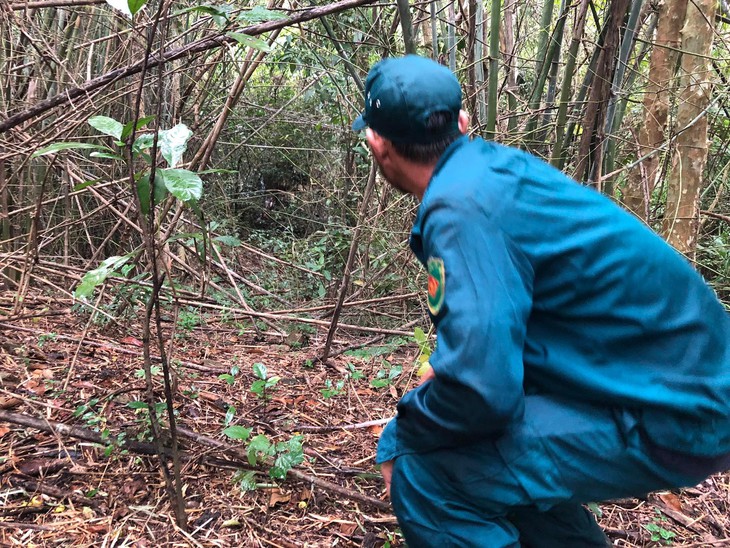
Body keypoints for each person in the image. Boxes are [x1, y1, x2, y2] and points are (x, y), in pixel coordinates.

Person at [352, 54, 730, 547]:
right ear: (463, 123)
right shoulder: (493, 174)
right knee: (474, 458)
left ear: (377, 144)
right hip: (685, 388)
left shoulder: (461, 207)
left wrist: (407, 428)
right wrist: (445, 372)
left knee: (423, 466)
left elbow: (482, 393)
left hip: (673, 411)